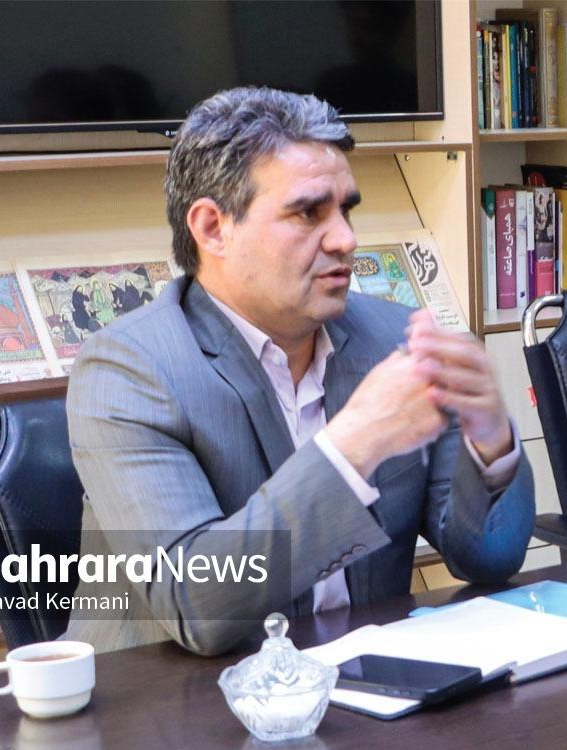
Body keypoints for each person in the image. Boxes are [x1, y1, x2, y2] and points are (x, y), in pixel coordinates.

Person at [63, 87, 535, 655]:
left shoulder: (393, 338)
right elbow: (195, 604)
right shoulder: (128, 371)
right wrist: (355, 443)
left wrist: (491, 440)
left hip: (358, 684)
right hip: (173, 696)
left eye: (346, 210)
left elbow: (489, 558)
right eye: (309, 212)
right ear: (212, 228)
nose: (346, 239)